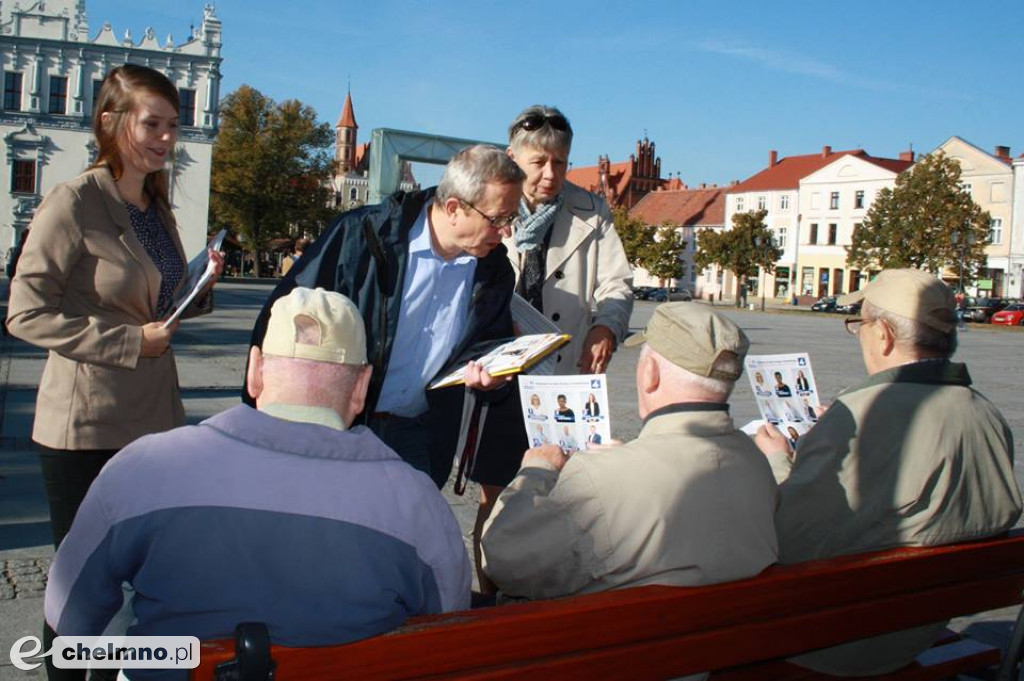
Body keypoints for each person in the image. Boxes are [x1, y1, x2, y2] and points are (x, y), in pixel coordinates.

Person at [46, 288, 471, 680]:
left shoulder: (145, 466)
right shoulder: (416, 501)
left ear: (255, 371)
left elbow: (68, 619)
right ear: (360, 388)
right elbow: (447, 633)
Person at [8, 64, 225, 681]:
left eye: (173, 126)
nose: (165, 138)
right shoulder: (74, 201)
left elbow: (158, 301)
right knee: (80, 587)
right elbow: (25, 314)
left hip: (155, 422)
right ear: (111, 121)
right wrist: (130, 342)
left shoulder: (154, 205)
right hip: (87, 426)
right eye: (151, 123)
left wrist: (198, 285)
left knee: (144, 576)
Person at [755, 268, 1023, 677]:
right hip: (915, 627)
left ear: (883, 334)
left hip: (835, 645)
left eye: (858, 324)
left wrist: (779, 460)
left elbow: (788, 541)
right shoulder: (985, 413)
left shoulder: (862, 419)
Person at [246, 145, 525, 488]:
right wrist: (260, 416)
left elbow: (487, 350)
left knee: (407, 535)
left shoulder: (494, 271)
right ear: (454, 208)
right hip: (337, 426)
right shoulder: (360, 237)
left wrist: (494, 380)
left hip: (420, 435)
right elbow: (281, 322)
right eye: (498, 219)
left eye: (511, 219)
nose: (506, 232)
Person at [483, 303, 778, 604]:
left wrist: (536, 471)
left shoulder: (603, 478)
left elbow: (503, 560)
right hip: (722, 641)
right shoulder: (756, 463)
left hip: (601, 643)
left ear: (650, 373)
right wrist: (627, 461)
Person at [468, 105, 634, 592]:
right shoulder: (488, 207)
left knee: (571, 495)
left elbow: (618, 284)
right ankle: (487, 595)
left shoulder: (592, 211)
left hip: (566, 381)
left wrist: (606, 326)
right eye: (538, 162)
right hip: (502, 382)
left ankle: (550, 597)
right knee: (497, 498)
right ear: (512, 157)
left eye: (559, 162)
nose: (549, 174)